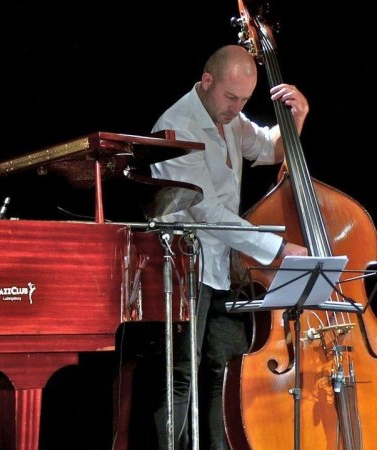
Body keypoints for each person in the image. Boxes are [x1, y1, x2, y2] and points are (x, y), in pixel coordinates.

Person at [148, 45, 309, 449]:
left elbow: (272, 148)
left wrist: (296, 120)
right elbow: (208, 210)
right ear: (207, 82)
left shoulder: (231, 118)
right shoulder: (177, 125)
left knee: (226, 371)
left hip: (223, 266)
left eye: (244, 101)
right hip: (184, 267)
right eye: (230, 98)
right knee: (180, 374)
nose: (236, 109)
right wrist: (274, 249)